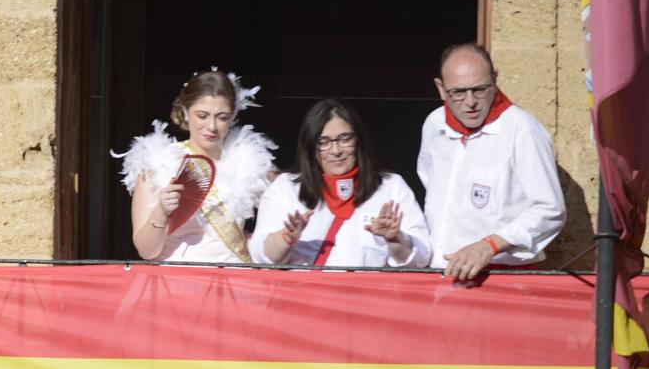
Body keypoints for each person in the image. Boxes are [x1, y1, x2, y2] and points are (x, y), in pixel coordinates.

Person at [417, 42, 565, 283]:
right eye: (458, 92)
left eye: (480, 89)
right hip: (440, 275)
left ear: (495, 80)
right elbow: (433, 190)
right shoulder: (434, 125)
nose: (470, 101)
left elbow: (550, 210)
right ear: (441, 89)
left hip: (501, 278)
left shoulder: (522, 128)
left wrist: (489, 246)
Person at [251, 99, 432, 269]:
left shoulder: (391, 187)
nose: (336, 150)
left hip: (370, 299)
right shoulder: (286, 188)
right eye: (324, 142)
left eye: (345, 139)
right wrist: (286, 239)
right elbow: (260, 256)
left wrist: (396, 239)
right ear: (310, 146)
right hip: (305, 299)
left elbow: (423, 256)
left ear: (358, 140)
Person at [119, 69, 278, 262]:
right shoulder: (158, 164)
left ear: (233, 115)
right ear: (185, 112)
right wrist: (161, 212)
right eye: (202, 115)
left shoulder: (250, 164)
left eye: (222, 117)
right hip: (178, 282)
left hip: (235, 279)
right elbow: (146, 251)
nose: (212, 126)